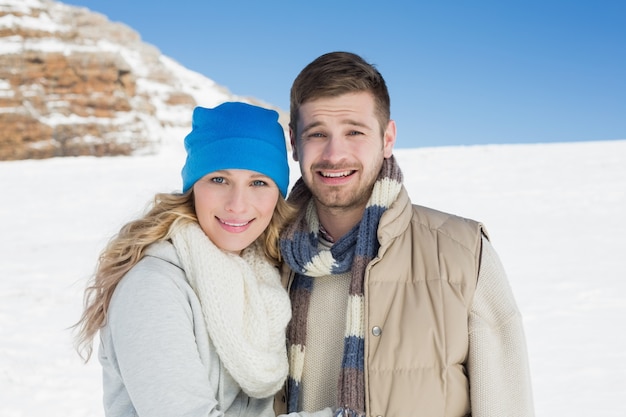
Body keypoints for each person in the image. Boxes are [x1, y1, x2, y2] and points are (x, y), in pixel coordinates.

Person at [276, 52, 535, 417]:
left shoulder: (463, 253)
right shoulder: (267, 256)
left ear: (387, 138)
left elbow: (508, 406)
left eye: (354, 132)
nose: (334, 154)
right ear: (294, 142)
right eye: (317, 134)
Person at [74, 102, 298, 417]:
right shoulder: (153, 288)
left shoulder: (265, 279)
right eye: (219, 179)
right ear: (194, 187)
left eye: (259, 182)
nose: (237, 204)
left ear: (278, 194)